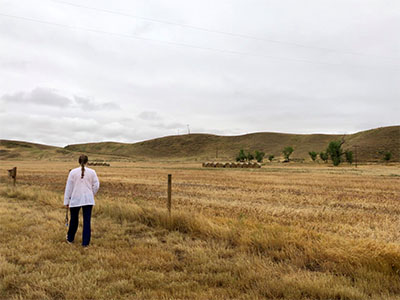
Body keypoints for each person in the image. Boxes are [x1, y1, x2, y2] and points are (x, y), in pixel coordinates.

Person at [64, 154, 100, 247]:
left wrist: (66, 201)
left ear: (79, 162)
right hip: (88, 199)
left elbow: (69, 188)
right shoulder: (92, 172)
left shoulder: (72, 172)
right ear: (87, 162)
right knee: (87, 221)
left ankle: (70, 238)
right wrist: (91, 193)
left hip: (75, 199)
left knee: (74, 220)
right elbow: (96, 185)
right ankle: (85, 243)